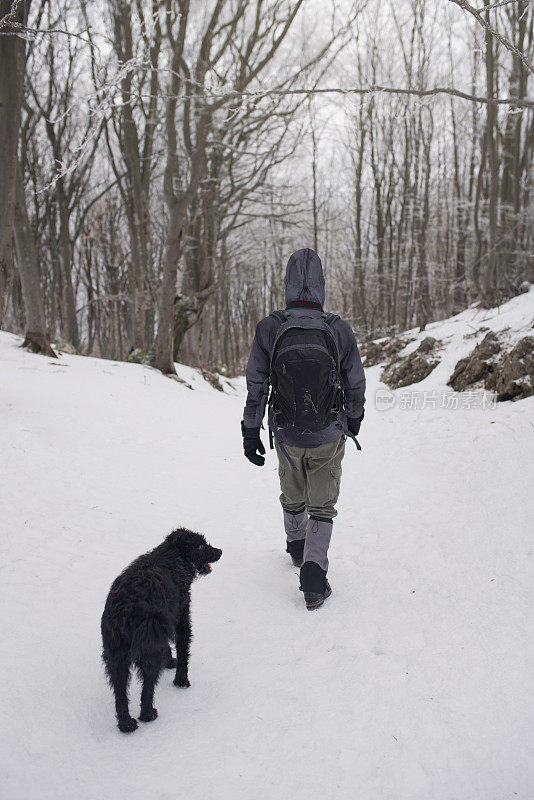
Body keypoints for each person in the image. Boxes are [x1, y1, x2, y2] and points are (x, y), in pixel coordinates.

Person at [241, 248, 366, 609]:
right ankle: (313, 576)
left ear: (287, 284)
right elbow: (355, 382)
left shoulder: (270, 327)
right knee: (322, 505)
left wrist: (250, 431)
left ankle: (297, 547)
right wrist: (353, 419)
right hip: (329, 431)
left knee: (292, 491)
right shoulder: (338, 329)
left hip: (286, 431)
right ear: (322, 286)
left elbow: (256, 385)